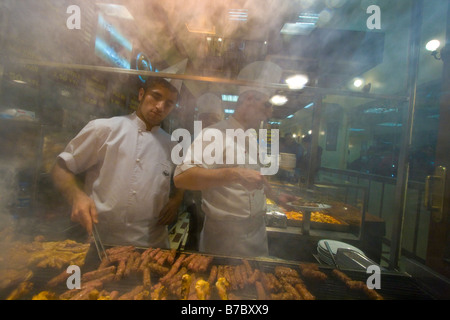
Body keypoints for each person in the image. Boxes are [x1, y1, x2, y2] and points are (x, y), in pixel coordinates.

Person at [174, 61, 294, 257]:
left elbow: (257, 179)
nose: (270, 112)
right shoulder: (213, 133)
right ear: (249, 99)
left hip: (258, 234)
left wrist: (276, 196)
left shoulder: (254, 138)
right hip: (225, 239)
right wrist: (234, 174)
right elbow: (182, 177)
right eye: (267, 105)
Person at [51, 77, 184, 248]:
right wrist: (77, 196)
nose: (160, 107)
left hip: (152, 246)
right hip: (103, 243)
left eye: (169, 103)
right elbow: (61, 168)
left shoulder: (172, 144)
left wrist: (177, 199)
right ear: (141, 94)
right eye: (156, 96)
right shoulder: (104, 129)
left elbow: (181, 179)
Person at [185, 93, 224, 250]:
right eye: (204, 117)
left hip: (220, 203)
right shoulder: (190, 140)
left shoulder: (228, 141)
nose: (209, 122)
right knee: (195, 233)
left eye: (214, 119)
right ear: (198, 120)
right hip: (195, 200)